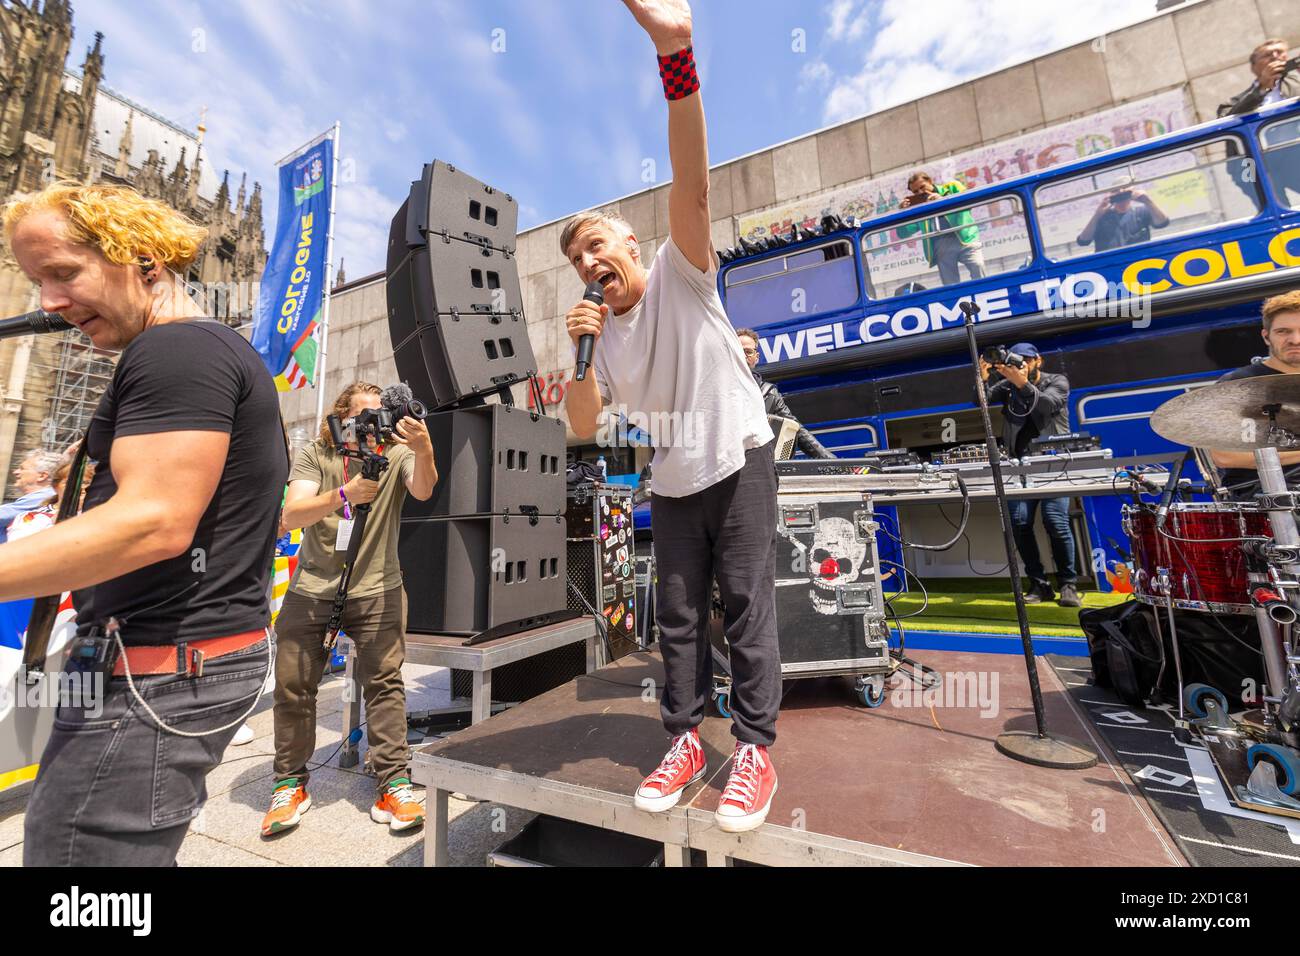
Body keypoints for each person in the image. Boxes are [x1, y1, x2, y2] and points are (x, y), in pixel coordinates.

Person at [0, 182, 287, 866]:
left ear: (145, 261)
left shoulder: (177, 353)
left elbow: (152, 524)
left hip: (154, 674)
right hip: (171, 666)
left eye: (64, 273)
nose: (48, 303)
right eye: (37, 281)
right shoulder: (199, 352)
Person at [563, 0, 780, 834]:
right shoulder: (599, 335)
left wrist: (675, 55)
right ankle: (685, 741)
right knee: (679, 620)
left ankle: (754, 750)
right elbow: (584, 424)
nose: (590, 260)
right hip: (677, 477)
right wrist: (574, 356)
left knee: (748, 604)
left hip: (740, 454)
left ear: (629, 237)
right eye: (578, 257)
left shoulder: (681, 265)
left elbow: (693, 175)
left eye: (597, 244)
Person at [261, 381, 437, 838]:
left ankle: (394, 782)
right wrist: (344, 495)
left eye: (380, 415)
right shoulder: (315, 455)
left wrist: (424, 448)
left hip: (378, 586)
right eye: (364, 416)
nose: (374, 425)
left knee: (384, 683)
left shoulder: (395, 451)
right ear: (341, 418)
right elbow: (292, 514)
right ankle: (289, 783)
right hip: (313, 588)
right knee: (294, 686)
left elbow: (423, 490)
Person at [980, 342, 1080, 608]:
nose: (1020, 364)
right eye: (1016, 360)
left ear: (1038, 360)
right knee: (1020, 523)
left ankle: (1068, 584)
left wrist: (1023, 383)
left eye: (1025, 359)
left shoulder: (1056, 381)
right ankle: (1039, 584)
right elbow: (981, 401)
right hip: (1018, 464)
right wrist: (983, 379)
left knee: (1055, 521)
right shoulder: (1009, 386)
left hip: (1053, 464)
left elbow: (1047, 405)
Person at [1208, 290, 1300, 498]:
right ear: (1266, 337)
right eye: (1284, 331)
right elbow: (1225, 456)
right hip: (1267, 498)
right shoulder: (1238, 385)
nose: (1295, 339)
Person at [735, 327, 833, 459]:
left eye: (748, 351)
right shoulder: (718, 387)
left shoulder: (769, 393)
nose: (743, 355)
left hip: (758, 464)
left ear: (756, 357)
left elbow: (797, 430)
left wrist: (830, 460)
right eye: (738, 350)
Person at [896, 171, 985, 286]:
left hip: (966, 237)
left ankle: (982, 296)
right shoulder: (918, 207)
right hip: (941, 245)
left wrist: (943, 199)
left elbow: (969, 201)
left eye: (922, 187)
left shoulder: (952, 187)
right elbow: (903, 233)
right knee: (950, 284)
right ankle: (957, 303)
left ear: (930, 181)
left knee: (978, 266)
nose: (920, 192)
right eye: (915, 191)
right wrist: (902, 213)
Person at [1218, 38, 1298, 117]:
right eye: (1267, 55)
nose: (1274, 56)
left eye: (1279, 52)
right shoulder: (1230, 105)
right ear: (1253, 67)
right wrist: (1263, 88)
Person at [1075, 188, 1170, 253]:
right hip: (1111, 266)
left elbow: (1163, 223)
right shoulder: (1101, 217)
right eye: (1116, 191)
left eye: (1125, 191)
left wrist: (1148, 201)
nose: (1121, 194)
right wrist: (1097, 215)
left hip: (1138, 263)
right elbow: (1083, 241)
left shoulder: (1142, 211)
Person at [0, 449, 58, 544]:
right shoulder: (39, 498)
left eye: (22, 468)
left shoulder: (44, 497)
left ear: (42, 476)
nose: (15, 472)